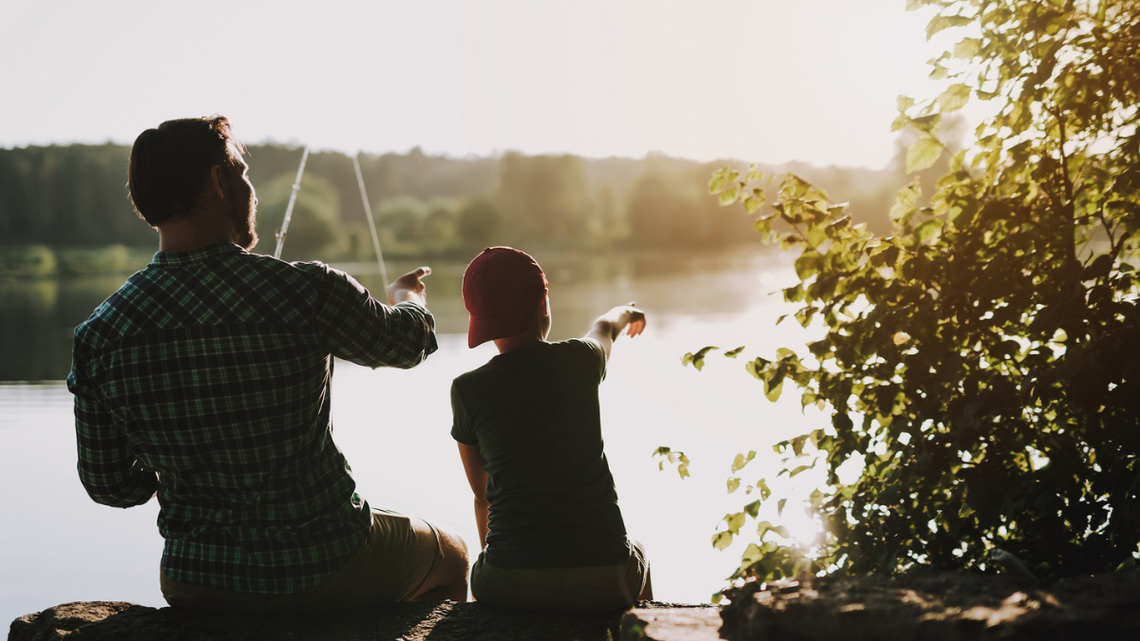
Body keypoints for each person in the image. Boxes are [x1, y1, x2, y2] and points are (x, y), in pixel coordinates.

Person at [66, 115, 468, 613]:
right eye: (241, 171)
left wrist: (178, 461)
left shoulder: (99, 333)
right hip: (323, 561)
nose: (251, 190)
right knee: (453, 555)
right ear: (218, 181)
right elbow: (409, 343)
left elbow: (109, 485)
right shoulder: (307, 288)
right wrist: (408, 297)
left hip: (194, 577)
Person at [450, 246, 653, 611]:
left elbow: (483, 498)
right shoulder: (581, 360)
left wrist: (506, 567)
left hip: (511, 579)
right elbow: (604, 327)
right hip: (605, 574)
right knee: (639, 554)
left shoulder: (467, 390)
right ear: (543, 301)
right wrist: (627, 311)